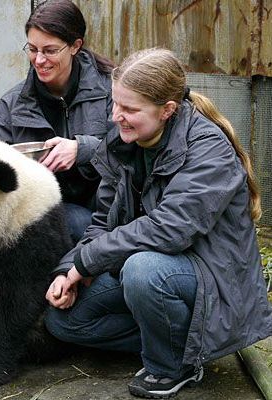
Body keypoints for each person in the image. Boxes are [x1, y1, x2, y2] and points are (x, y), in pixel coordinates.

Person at [44, 48, 272, 398]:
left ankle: (170, 368)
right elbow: (103, 220)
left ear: (167, 110)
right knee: (64, 321)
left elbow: (169, 229)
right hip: (157, 271)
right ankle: (177, 339)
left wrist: (85, 263)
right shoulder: (125, 141)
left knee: (141, 269)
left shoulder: (208, 149)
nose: (117, 116)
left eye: (130, 109)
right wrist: (68, 271)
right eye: (115, 104)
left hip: (210, 280)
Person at [0, 0, 115, 242]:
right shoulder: (10, 105)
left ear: (75, 46)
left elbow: (132, 150)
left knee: (82, 223)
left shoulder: (112, 89)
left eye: (49, 50)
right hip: (44, 211)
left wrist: (81, 149)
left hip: (112, 207)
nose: (38, 60)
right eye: (32, 49)